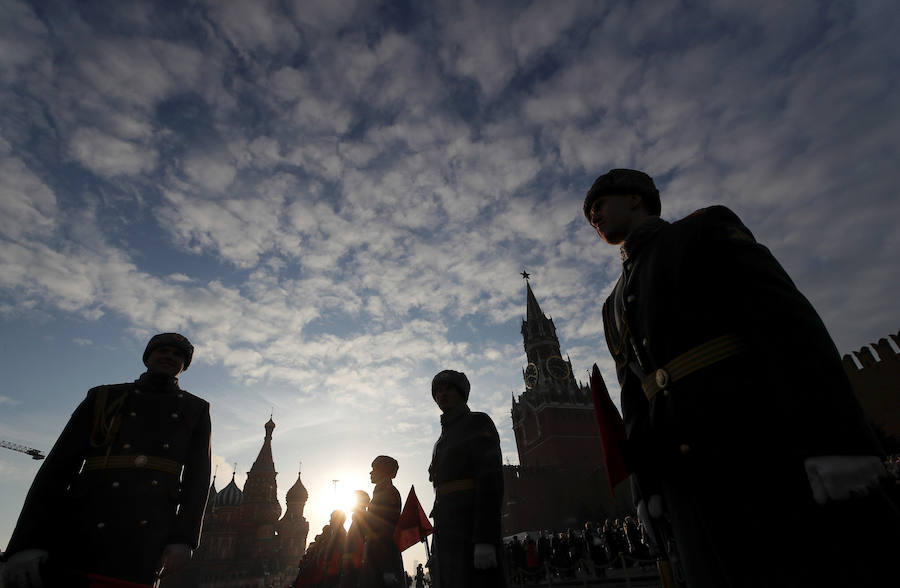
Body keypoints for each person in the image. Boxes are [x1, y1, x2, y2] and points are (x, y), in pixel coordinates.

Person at [583, 168, 900, 586]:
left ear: (636, 198)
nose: (595, 218)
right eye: (590, 217)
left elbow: (788, 326)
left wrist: (837, 442)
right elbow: (635, 402)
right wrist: (646, 487)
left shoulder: (702, 231)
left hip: (755, 448)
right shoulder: (612, 307)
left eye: (599, 205)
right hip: (685, 486)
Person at [1, 333, 211, 587]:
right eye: (162, 350)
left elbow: (196, 481)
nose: (169, 356)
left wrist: (184, 540)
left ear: (184, 366)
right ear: (147, 357)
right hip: (82, 523)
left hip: (146, 531)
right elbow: (56, 470)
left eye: (178, 355)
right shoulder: (103, 397)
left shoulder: (195, 409)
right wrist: (26, 544)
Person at [427, 370, 506, 588]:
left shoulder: (477, 422)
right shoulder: (441, 441)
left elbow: (489, 482)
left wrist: (485, 539)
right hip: (447, 536)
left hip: (470, 532)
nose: (442, 395)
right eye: (438, 391)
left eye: (449, 389)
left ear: (462, 393)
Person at [362, 455, 404, 587]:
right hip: (377, 555)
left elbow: (385, 530)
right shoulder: (382, 492)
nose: (371, 472)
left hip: (383, 556)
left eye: (374, 469)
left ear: (382, 471)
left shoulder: (388, 492)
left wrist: (387, 568)